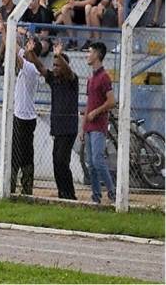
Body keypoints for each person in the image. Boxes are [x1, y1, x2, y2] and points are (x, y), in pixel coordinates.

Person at [23, 40, 78, 199]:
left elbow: (68, 70)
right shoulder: (54, 80)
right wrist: (31, 52)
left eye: (57, 64)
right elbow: (40, 66)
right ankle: (63, 193)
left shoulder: (72, 80)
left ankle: (69, 194)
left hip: (68, 128)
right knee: (56, 162)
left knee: (62, 161)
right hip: (57, 128)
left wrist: (58, 54)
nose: (55, 67)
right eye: (54, 64)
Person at [82, 41, 116, 204]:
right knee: (91, 164)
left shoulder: (104, 77)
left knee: (97, 160)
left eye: (89, 52)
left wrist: (96, 112)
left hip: (98, 125)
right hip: (89, 126)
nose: (87, 55)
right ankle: (96, 196)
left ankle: (112, 192)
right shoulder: (90, 78)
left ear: (97, 54)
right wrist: (83, 128)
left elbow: (111, 102)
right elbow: (88, 104)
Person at [10, 36, 40, 195]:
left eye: (29, 43)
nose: (26, 45)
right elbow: (13, 46)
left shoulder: (31, 67)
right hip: (20, 115)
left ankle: (25, 186)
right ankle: (15, 185)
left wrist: (8, 33)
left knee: (22, 153)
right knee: (17, 151)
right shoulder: (29, 65)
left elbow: (15, 53)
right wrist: (5, 31)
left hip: (25, 118)